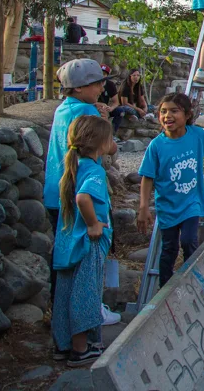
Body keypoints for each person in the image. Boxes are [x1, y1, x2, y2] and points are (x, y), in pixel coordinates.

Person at [136, 93, 204, 287]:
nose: (167, 116)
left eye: (174, 111)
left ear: (188, 115)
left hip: (191, 202)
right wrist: (143, 207)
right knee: (169, 249)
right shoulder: (156, 146)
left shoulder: (196, 135)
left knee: (189, 240)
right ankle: (165, 288)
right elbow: (147, 177)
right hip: (168, 206)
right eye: (163, 111)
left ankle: (195, 283)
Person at [47, 60, 113, 322]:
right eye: (97, 84)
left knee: (64, 255)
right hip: (80, 192)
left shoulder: (61, 109)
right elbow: (109, 146)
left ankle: (60, 314)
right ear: (79, 88)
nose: (101, 88)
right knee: (88, 258)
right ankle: (88, 311)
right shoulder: (87, 111)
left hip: (57, 192)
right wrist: (104, 121)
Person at [50, 115, 116, 366]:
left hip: (68, 241)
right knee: (85, 293)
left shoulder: (73, 165)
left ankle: (63, 345)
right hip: (88, 243)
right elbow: (83, 198)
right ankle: (81, 348)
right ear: (100, 143)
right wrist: (93, 224)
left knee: (65, 293)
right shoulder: (95, 170)